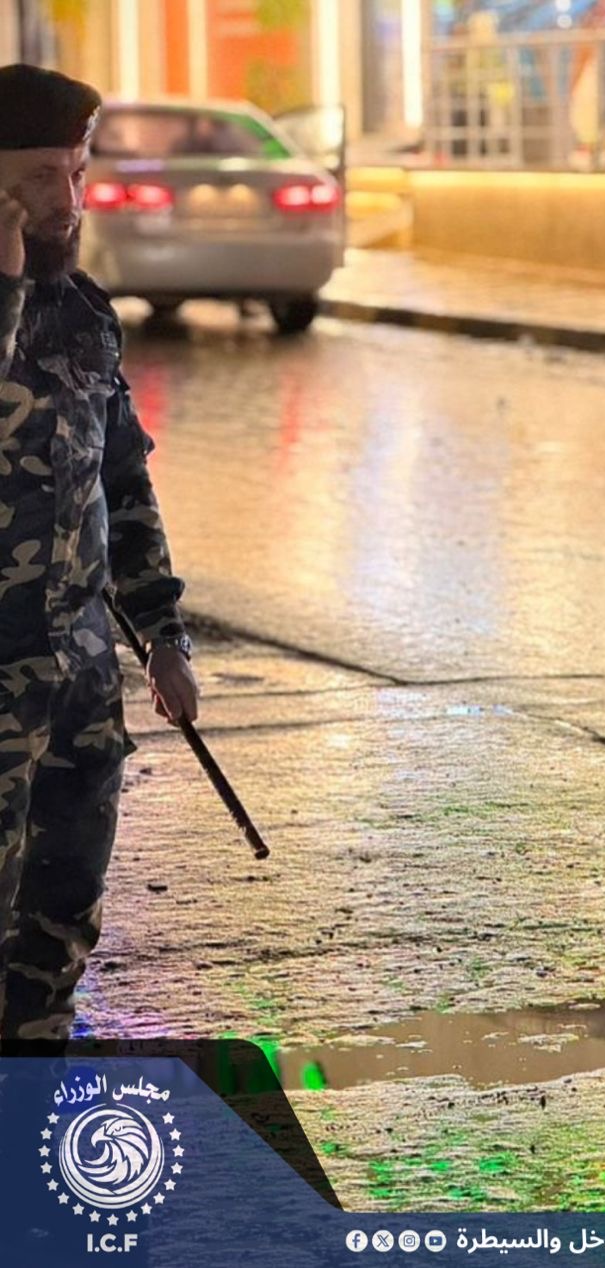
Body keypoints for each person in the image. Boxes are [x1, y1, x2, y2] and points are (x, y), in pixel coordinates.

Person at [0, 65, 198, 1052]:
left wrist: (163, 635)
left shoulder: (82, 310)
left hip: (78, 685)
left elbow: (122, 483)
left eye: (77, 173)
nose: (67, 201)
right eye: (40, 176)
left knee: (58, 926)